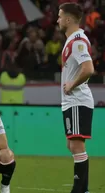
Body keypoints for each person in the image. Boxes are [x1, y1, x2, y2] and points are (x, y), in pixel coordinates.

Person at [58, 3, 94, 193]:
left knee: (77, 146)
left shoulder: (77, 41)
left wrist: (72, 85)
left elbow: (88, 68)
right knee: (72, 145)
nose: (57, 20)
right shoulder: (72, 40)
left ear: (68, 19)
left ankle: (79, 190)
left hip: (77, 100)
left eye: (59, 16)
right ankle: (83, 189)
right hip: (71, 102)